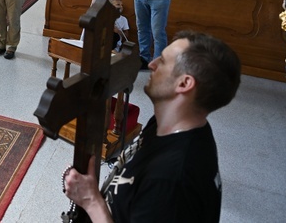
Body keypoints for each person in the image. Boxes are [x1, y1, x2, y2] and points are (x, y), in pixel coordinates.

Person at [64, 31, 241, 223]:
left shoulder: (172, 180)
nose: (152, 64)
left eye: (163, 61)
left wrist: (91, 201)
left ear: (184, 83)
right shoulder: (164, 124)